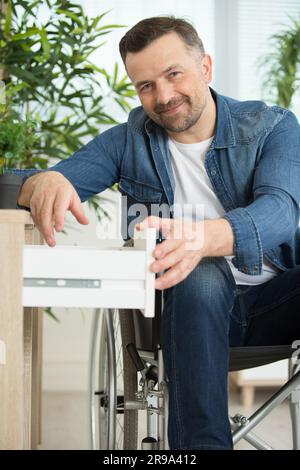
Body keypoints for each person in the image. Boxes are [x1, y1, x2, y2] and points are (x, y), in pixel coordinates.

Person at [17, 17, 300, 450]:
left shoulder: (271, 127)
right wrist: (44, 181)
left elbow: (282, 210)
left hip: (275, 310)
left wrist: (203, 237)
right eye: (145, 85)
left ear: (205, 67)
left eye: (173, 74)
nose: (163, 96)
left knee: (196, 254)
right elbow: (52, 180)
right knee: (197, 270)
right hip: (184, 315)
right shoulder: (127, 141)